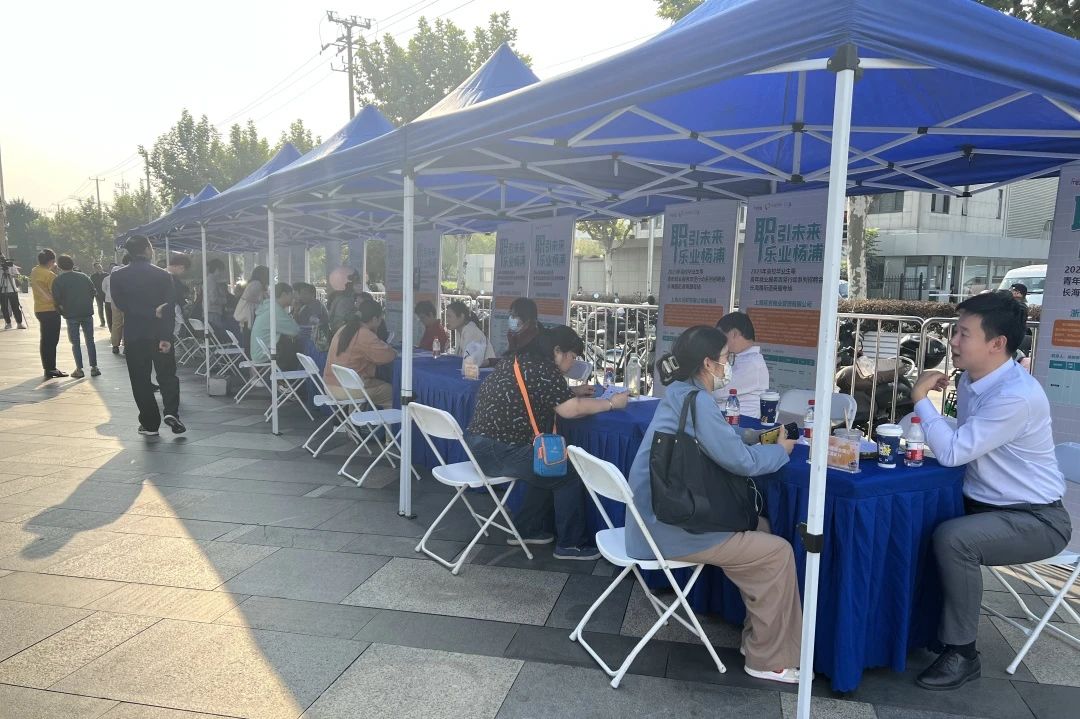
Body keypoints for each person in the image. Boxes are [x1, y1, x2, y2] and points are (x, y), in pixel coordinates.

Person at [910, 291, 1070, 691]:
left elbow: (954, 451)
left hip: (1035, 517)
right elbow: (965, 437)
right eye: (955, 331)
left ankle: (962, 653)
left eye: (964, 334)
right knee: (913, 514)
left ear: (997, 343)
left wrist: (921, 401)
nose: (953, 341)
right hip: (983, 504)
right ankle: (914, 627)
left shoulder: (1016, 396)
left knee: (954, 539)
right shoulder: (971, 380)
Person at [625, 325, 802, 683]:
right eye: (725, 358)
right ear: (708, 363)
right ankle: (768, 659)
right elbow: (742, 462)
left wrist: (752, 436)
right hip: (672, 529)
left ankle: (760, 638)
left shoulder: (680, 392)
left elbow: (717, 436)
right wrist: (781, 451)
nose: (728, 365)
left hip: (651, 520)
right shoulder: (698, 401)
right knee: (778, 552)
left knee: (762, 530)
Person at [465, 324, 628, 560]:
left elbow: (535, 393)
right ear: (558, 351)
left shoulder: (518, 361)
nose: (572, 363)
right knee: (566, 471)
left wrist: (573, 392)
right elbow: (570, 410)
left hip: (479, 445)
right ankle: (571, 544)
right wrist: (612, 403)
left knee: (545, 463)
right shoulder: (544, 370)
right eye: (573, 356)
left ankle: (527, 529)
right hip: (498, 451)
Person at [109, 236, 184, 436]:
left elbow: (122, 306)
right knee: (167, 375)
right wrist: (166, 336)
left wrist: (147, 312)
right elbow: (169, 308)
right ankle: (171, 412)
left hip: (135, 335)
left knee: (140, 380)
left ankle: (150, 424)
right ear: (148, 249)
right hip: (160, 334)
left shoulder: (118, 276)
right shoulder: (163, 275)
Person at [323, 298, 397, 407]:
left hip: (329, 385)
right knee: (391, 391)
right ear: (375, 319)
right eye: (381, 319)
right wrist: (393, 350)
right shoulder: (365, 334)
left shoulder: (344, 329)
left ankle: (355, 417)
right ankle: (384, 419)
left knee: (363, 383)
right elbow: (387, 356)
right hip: (345, 390)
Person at [52, 255, 100, 379]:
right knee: (90, 340)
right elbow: (93, 292)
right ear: (72, 264)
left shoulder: (58, 280)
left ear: (59, 266)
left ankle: (79, 369)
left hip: (71, 314)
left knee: (75, 342)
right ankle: (94, 367)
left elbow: (56, 300)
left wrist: (63, 311)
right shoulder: (84, 277)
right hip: (86, 312)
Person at [715, 312, 770, 418]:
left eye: (721, 335)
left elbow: (718, 392)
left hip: (740, 422)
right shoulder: (740, 358)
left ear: (734, 334)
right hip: (724, 418)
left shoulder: (753, 364)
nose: (719, 341)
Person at [31, 249, 67, 379]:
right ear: (51, 261)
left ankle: (47, 367)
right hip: (51, 310)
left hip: (39, 309)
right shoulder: (50, 275)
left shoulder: (35, 271)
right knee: (52, 341)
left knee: (45, 340)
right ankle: (51, 368)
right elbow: (56, 295)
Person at [250, 283, 301, 370]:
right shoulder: (275, 310)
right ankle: (292, 377)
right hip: (265, 357)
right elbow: (295, 331)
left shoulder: (269, 306)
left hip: (258, 354)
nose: (293, 298)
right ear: (284, 294)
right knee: (297, 348)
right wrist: (296, 310)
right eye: (291, 295)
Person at [445, 300, 495, 364]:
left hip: (484, 368)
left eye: (449, 316)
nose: (447, 320)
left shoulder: (471, 332)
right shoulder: (460, 330)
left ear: (462, 316)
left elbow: (469, 361)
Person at [233, 265, 269, 337]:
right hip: (248, 317)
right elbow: (250, 297)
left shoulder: (254, 284)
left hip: (247, 318)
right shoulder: (256, 284)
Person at [105, 258, 129, 354]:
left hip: (114, 300)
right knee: (127, 323)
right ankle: (126, 345)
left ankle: (115, 345)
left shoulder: (115, 270)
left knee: (116, 324)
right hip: (127, 300)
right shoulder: (129, 271)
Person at [1, 256, 25, 329]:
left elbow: (18, 276)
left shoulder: (11, 265)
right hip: (2, 290)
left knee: (15, 307)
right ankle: (8, 323)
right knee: (4, 308)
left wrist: (9, 274)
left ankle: (19, 323)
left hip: (12, 289)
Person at [204, 259, 228, 329]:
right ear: (217, 269)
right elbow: (213, 299)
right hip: (213, 312)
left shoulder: (208, 279)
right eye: (221, 271)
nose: (221, 273)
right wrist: (224, 300)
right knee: (217, 332)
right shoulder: (212, 281)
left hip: (209, 311)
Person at [90, 262, 108, 328]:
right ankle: (102, 322)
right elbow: (91, 286)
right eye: (97, 267)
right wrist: (94, 292)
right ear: (95, 269)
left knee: (108, 308)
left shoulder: (107, 275)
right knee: (100, 309)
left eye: (100, 266)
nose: (99, 268)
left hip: (107, 295)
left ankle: (110, 321)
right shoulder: (93, 276)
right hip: (98, 295)